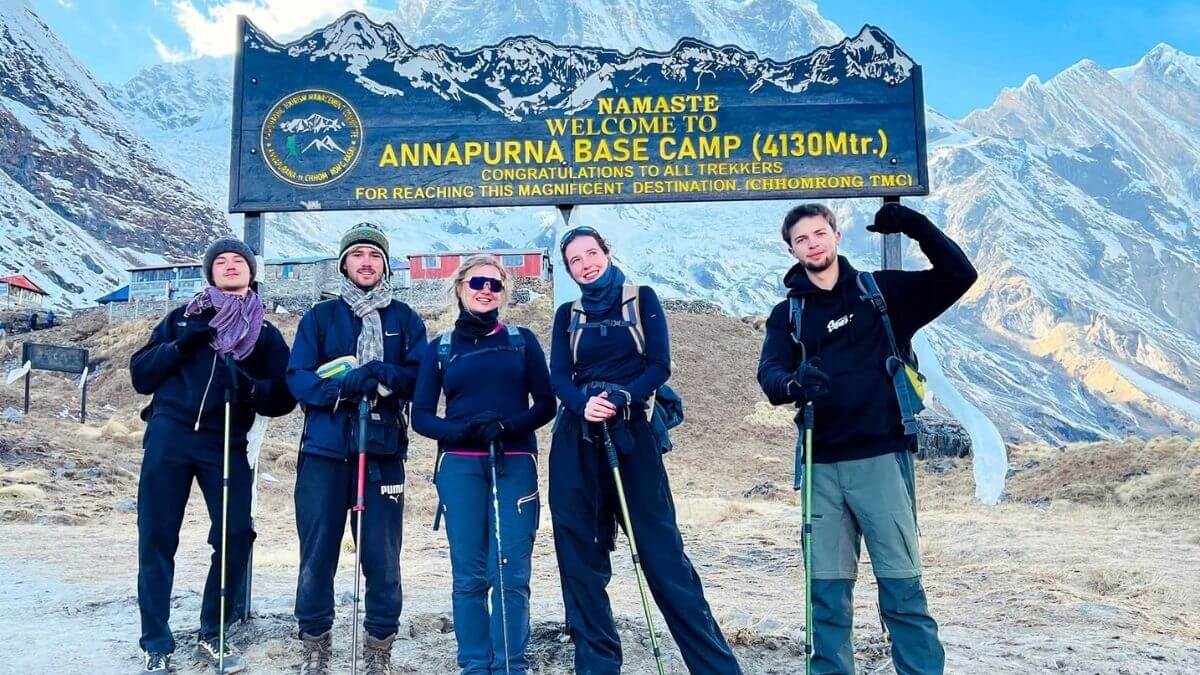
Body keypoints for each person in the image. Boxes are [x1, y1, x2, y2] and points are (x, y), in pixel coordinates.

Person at [756, 203, 977, 675]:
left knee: (902, 589)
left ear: (835, 236)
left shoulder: (882, 294)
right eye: (802, 239)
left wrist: (915, 226)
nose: (813, 243)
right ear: (792, 250)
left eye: (820, 233)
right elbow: (769, 373)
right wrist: (794, 384)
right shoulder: (788, 315)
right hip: (821, 467)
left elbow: (959, 274)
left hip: (881, 458)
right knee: (827, 598)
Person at [548, 226, 743, 674]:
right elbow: (559, 375)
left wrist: (620, 398)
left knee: (662, 556)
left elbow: (659, 365)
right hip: (576, 441)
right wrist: (583, 404)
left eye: (591, 253)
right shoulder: (567, 314)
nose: (586, 264)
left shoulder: (641, 299)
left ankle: (716, 668)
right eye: (575, 260)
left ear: (606, 252)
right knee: (580, 559)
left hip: (633, 435)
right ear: (569, 269)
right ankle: (597, 667)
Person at [130, 237, 296, 674]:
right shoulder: (182, 319)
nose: (229, 266)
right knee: (157, 536)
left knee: (236, 533)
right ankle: (156, 641)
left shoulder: (265, 333)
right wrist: (181, 345)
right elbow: (141, 376)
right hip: (170, 433)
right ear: (210, 273)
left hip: (224, 440)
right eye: (220, 261)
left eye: (237, 260)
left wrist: (252, 388)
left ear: (251, 271)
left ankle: (213, 630)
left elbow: (282, 398)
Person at [286, 223, 427, 675]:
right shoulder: (320, 317)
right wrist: (344, 385)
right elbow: (298, 378)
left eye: (375, 256)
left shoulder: (404, 318)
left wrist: (385, 374)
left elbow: (421, 377)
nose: (366, 262)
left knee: (382, 555)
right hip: (324, 451)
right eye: (358, 254)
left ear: (385, 264)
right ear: (344, 262)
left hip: (382, 448)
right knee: (318, 550)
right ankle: (315, 644)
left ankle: (379, 647)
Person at [411, 255, 555, 674]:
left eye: (495, 284)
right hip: (459, 468)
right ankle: (474, 665)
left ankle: (511, 665)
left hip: (513, 464)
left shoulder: (522, 340)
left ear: (503, 292)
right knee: (469, 576)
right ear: (459, 287)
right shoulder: (439, 347)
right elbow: (421, 416)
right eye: (477, 282)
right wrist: (464, 431)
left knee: (510, 572)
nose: (486, 290)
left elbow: (545, 404)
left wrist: (507, 426)